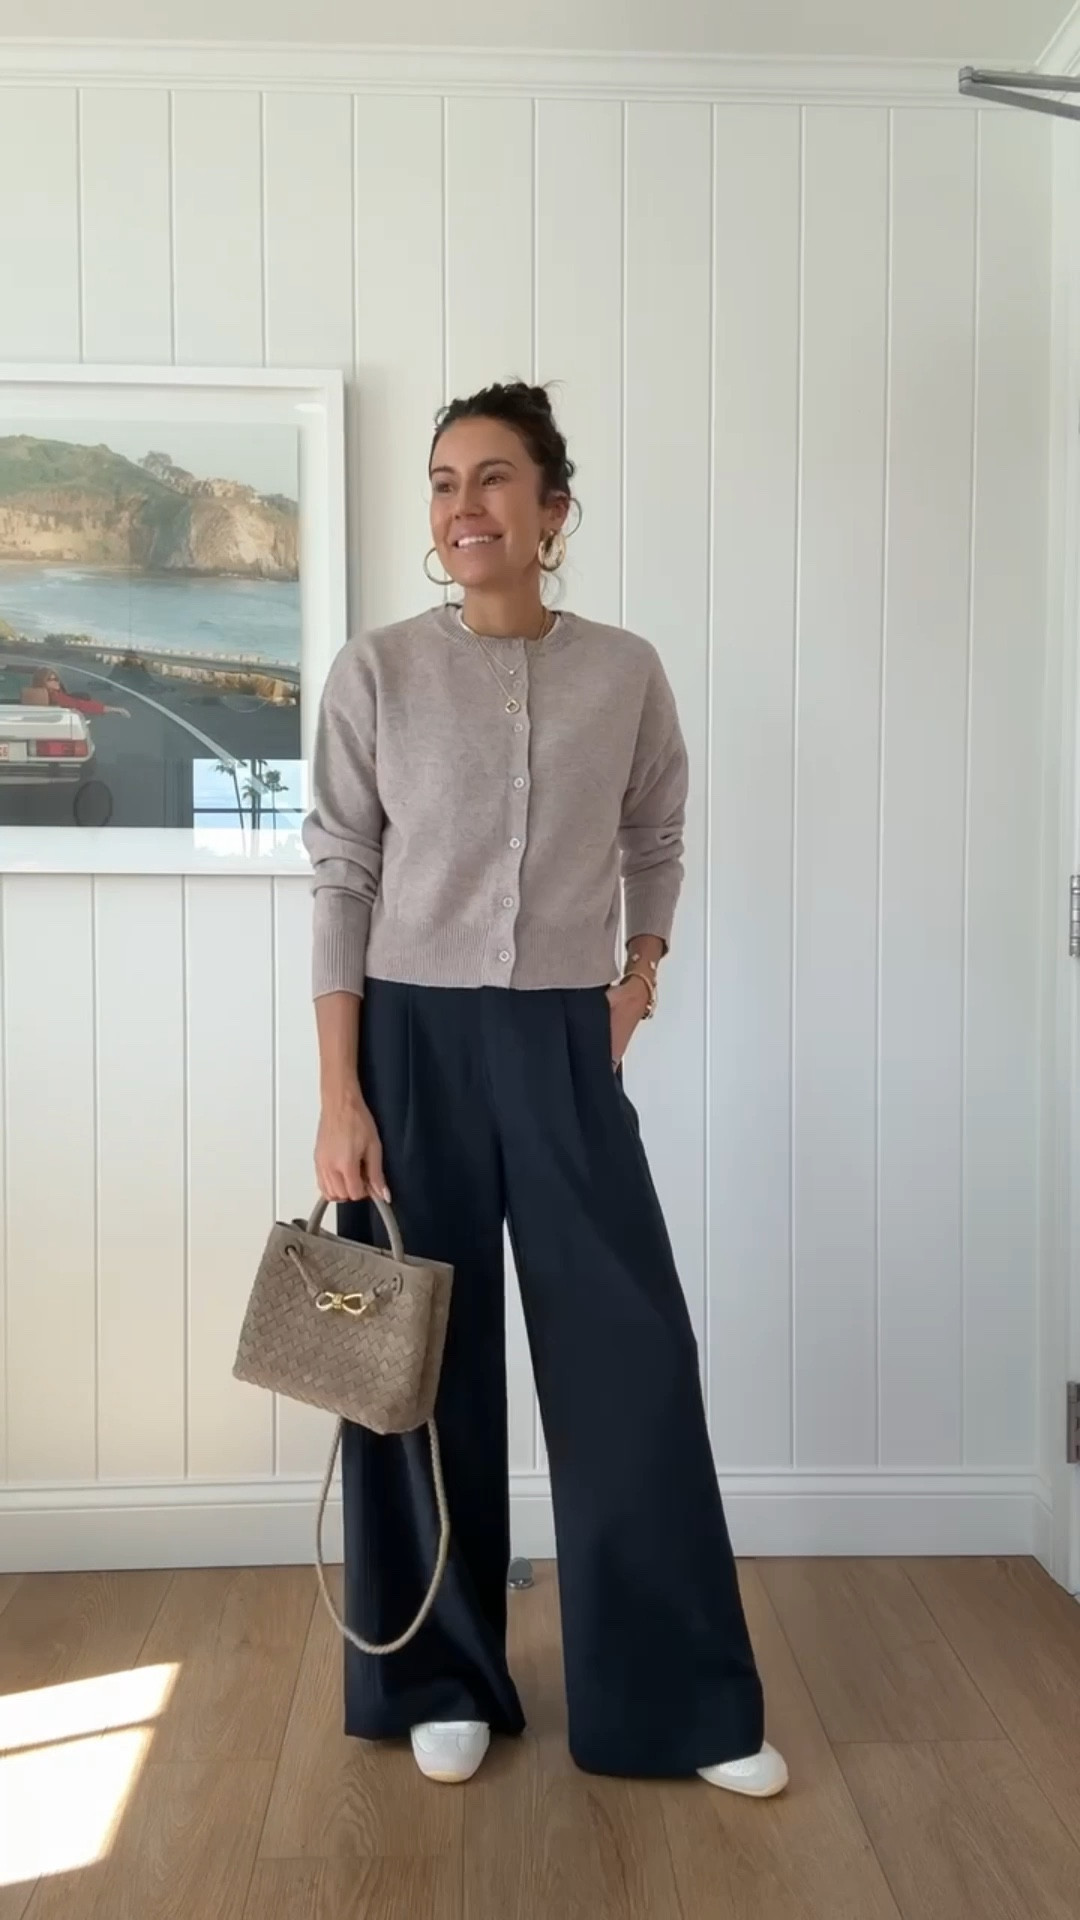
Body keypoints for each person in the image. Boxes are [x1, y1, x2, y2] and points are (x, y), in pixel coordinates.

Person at [302, 380, 787, 1796]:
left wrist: (638, 976)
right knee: (413, 1361)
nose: (465, 506)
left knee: (629, 1357)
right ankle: (439, 1674)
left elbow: (656, 832)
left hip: (567, 1045)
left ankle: (681, 1704)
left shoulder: (623, 672)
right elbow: (341, 876)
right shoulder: (378, 672)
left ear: (554, 509)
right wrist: (340, 1094)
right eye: (445, 482)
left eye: (496, 479)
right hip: (408, 1047)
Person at [31, 666, 130, 718]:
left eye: (56, 678)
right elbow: (81, 705)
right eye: (50, 679)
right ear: (42, 681)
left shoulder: (31, 697)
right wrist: (114, 709)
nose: (56, 681)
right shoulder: (55, 697)